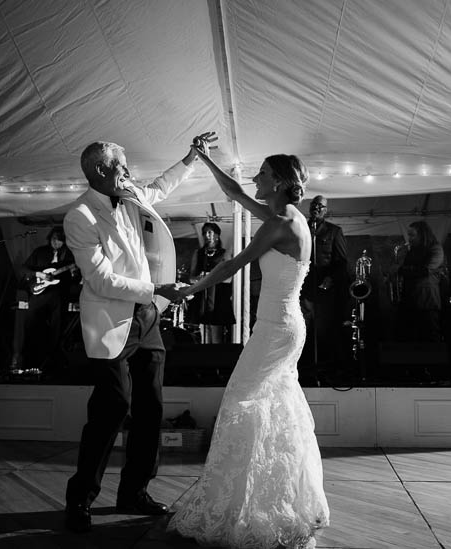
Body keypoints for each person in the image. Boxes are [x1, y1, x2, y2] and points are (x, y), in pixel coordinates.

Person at [168, 134, 329, 548]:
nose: (255, 178)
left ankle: (243, 504)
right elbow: (234, 192)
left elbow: (234, 264)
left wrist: (189, 290)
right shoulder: (286, 215)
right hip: (283, 324)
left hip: (277, 327)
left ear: (276, 181)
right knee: (275, 407)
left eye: (262, 174)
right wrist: (204, 158)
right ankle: (274, 498)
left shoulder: (281, 224)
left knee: (241, 401)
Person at [62, 137, 202, 532]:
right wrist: (156, 291)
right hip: (110, 321)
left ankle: (134, 491)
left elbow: (162, 186)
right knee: (111, 408)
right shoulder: (80, 216)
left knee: (151, 408)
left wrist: (190, 158)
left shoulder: (131, 195)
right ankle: (80, 499)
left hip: (148, 319)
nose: (129, 170)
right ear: (103, 171)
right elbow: (100, 279)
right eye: (122, 165)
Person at [12, 227, 77, 377]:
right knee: (32, 324)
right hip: (39, 295)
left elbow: (74, 279)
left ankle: (55, 365)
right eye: (54, 238)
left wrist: (74, 273)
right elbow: (23, 270)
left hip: (59, 296)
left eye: (60, 239)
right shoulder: (39, 252)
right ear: (49, 238)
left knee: (58, 328)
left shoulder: (69, 255)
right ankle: (31, 362)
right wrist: (38, 274)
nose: (56, 242)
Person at [300, 195, 348, 381]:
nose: (317, 208)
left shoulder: (334, 231)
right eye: (314, 205)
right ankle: (305, 368)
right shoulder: (302, 228)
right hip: (304, 287)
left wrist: (331, 278)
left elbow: (341, 261)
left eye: (321, 206)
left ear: (326, 210)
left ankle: (325, 368)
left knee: (323, 330)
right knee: (303, 330)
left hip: (323, 289)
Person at [396, 220, 444, 342]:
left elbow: (425, 270)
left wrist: (401, 270)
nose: (409, 238)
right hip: (409, 299)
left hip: (427, 300)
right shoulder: (411, 251)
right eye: (408, 235)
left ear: (422, 234)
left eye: (412, 235)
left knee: (430, 335)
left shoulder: (435, 248)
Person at [188, 222, 235, 343]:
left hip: (218, 296)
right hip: (202, 297)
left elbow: (228, 278)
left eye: (210, 232)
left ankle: (216, 359)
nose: (206, 235)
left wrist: (209, 276)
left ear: (217, 235)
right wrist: (201, 278)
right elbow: (191, 278)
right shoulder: (198, 253)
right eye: (204, 233)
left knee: (216, 335)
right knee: (203, 333)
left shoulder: (224, 254)